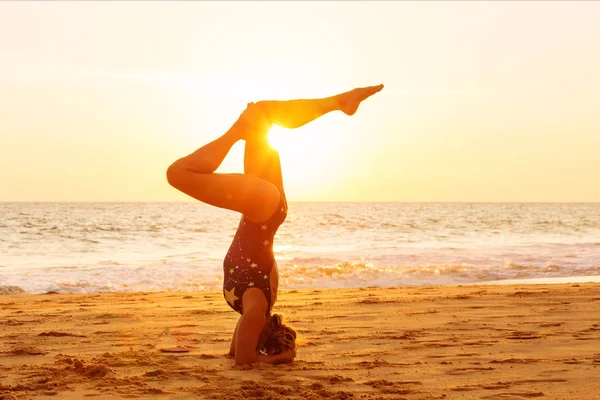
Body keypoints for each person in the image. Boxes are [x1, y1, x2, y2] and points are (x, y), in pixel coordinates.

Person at [166, 83, 384, 365]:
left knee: (262, 114)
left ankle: (339, 103)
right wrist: (280, 358)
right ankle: (240, 130)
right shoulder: (257, 308)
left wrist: (268, 351)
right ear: (261, 334)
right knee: (177, 173)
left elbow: (235, 352)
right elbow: (245, 360)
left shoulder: (252, 309)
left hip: (267, 209)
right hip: (261, 210)